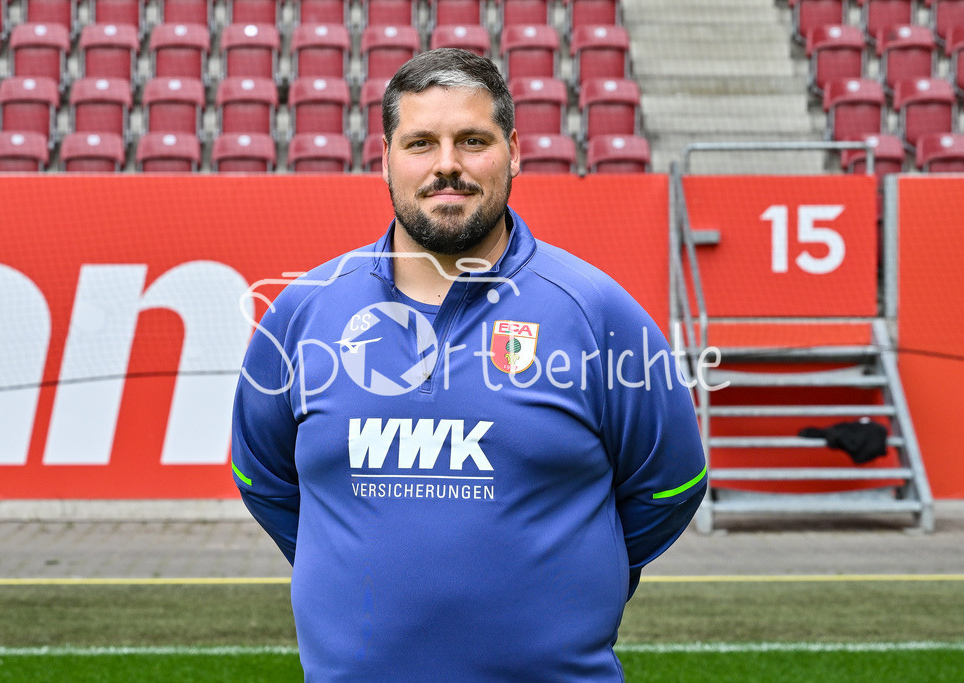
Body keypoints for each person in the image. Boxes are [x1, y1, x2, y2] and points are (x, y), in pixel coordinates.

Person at [231, 48, 707, 681]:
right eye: (421, 143)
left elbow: (670, 486)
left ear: (513, 151)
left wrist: (577, 577)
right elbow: (262, 477)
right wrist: (348, 560)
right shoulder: (302, 313)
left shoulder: (596, 311)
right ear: (386, 160)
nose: (447, 166)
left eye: (472, 141)